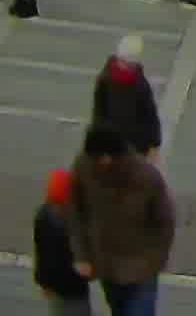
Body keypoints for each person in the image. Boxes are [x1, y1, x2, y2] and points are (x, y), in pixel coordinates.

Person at [64, 123, 178, 315]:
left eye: (101, 158)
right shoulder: (84, 167)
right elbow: (75, 211)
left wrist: (156, 260)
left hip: (142, 267)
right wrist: (82, 254)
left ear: (110, 156)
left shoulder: (145, 177)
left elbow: (165, 221)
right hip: (107, 264)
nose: (98, 162)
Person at [91, 35, 164, 156]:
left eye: (130, 65)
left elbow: (150, 115)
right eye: (123, 62)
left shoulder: (140, 85)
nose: (125, 67)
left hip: (136, 146)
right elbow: (99, 112)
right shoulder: (106, 80)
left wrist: (154, 143)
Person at [32, 166, 87, 316]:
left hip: (55, 287)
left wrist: (43, 282)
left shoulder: (43, 214)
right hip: (73, 288)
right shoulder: (71, 222)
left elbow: (41, 252)